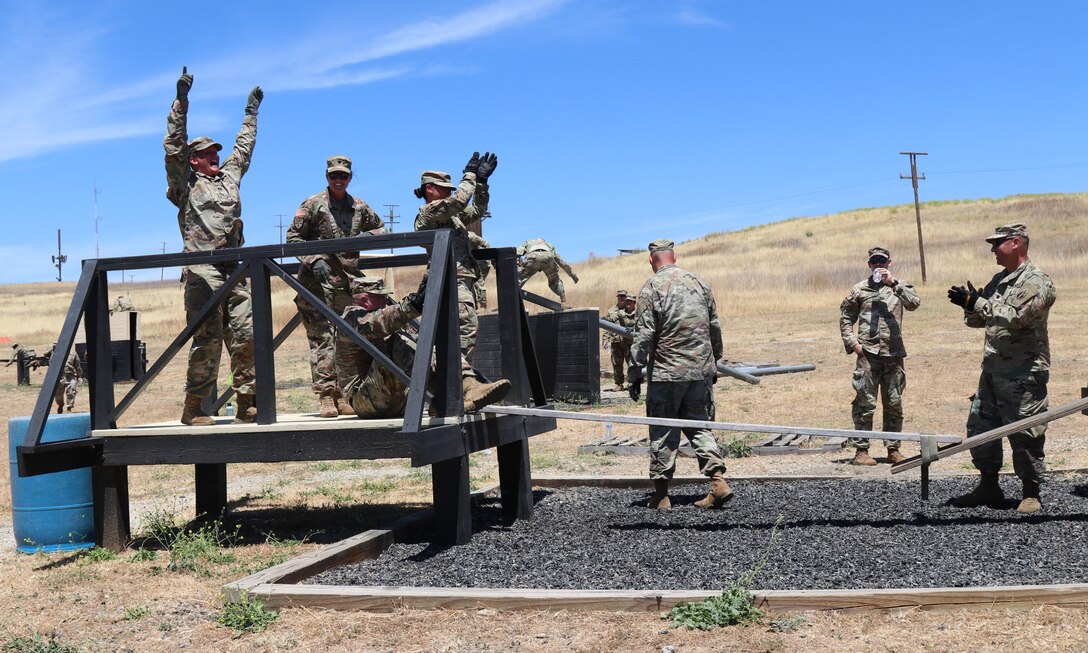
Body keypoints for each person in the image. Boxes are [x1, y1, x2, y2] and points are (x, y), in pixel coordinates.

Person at [164, 66, 263, 426]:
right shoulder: (185, 185)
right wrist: (182, 101)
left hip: (235, 268)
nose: (215, 156)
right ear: (194, 160)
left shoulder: (229, 177)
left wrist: (250, 112)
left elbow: (243, 147)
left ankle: (247, 402)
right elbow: (174, 146)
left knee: (246, 334)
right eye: (208, 153)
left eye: (215, 152)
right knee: (206, 337)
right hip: (202, 269)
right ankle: (195, 408)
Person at [948, 223, 1055, 514]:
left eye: (998, 243)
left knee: (1026, 432)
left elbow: (1017, 317)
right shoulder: (1000, 279)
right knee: (981, 427)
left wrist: (980, 303)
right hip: (993, 371)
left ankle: (1031, 492)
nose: (993, 249)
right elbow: (980, 321)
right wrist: (970, 306)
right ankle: (988, 485)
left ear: (1017, 243)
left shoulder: (1037, 281)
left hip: (1024, 373)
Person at [630, 238, 730, 510]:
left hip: (666, 374)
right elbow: (714, 327)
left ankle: (661, 496)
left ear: (652, 260)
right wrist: (714, 361)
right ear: (674, 256)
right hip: (700, 371)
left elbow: (644, 335)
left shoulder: (651, 288)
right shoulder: (700, 282)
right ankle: (718, 482)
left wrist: (634, 370)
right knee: (700, 425)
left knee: (663, 430)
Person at [287, 155, 386, 418]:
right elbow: (293, 238)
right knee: (322, 342)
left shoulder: (360, 207)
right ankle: (326, 397)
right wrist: (313, 259)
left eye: (343, 176)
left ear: (350, 178)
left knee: (345, 342)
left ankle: (343, 394)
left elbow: (382, 229)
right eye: (334, 176)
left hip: (345, 287)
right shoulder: (313, 205)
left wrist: (367, 236)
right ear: (327, 177)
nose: (338, 180)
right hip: (315, 286)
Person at [337, 276, 511, 418]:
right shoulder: (351, 318)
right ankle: (463, 388)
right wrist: (414, 303)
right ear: (364, 300)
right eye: (380, 296)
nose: (386, 300)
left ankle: (453, 392)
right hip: (365, 401)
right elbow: (380, 322)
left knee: (422, 339)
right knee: (397, 341)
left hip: (397, 397)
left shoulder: (382, 315)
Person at [412, 152, 497, 392]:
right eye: (444, 188)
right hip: (448, 280)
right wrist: (469, 175)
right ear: (430, 189)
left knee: (465, 333)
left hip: (461, 280)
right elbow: (460, 201)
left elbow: (477, 209)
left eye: (451, 188)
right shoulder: (428, 213)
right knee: (465, 329)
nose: (449, 192)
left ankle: (450, 387)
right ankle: (458, 386)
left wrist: (481, 184)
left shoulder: (452, 216)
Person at [838, 247, 921, 465]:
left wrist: (892, 283)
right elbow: (846, 318)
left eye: (882, 261)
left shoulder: (899, 286)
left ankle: (893, 449)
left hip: (893, 354)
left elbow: (914, 303)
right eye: (874, 261)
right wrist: (852, 343)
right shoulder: (860, 289)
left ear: (889, 263)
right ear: (869, 264)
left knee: (894, 402)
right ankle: (861, 451)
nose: (878, 265)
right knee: (865, 401)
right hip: (868, 354)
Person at [516, 238, 579, 305]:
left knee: (520, 278)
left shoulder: (528, 242)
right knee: (555, 280)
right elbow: (561, 261)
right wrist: (572, 275)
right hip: (548, 258)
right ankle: (564, 302)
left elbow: (517, 252)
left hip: (533, 258)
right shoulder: (549, 245)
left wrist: (517, 264)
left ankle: (512, 293)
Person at [603, 290, 635, 391]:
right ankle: (619, 383)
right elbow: (607, 325)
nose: (622, 298)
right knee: (617, 364)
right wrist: (605, 339)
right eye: (620, 296)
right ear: (617, 297)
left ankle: (631, 383)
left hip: (627, 342)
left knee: (630, 362)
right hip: (615, 341)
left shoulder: (629, 310)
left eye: (624, 296)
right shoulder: (612, 311)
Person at [468, 232, 492, 311]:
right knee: (470, 286)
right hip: (470, 263)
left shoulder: (470, 236)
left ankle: (483, 306)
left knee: (479, 283)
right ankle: (474, 308)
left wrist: (492, 259)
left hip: (481, 262)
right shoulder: (455, 237)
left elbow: (486, 245)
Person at [54, 350, 83, 414]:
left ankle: (69, 408)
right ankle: (60, 405)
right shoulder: (54, 353)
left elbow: (77, 365)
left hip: (70, 376)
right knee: (58, 395)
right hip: (59, 377)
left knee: (71, 392)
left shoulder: (73, 354)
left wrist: (79, 376)